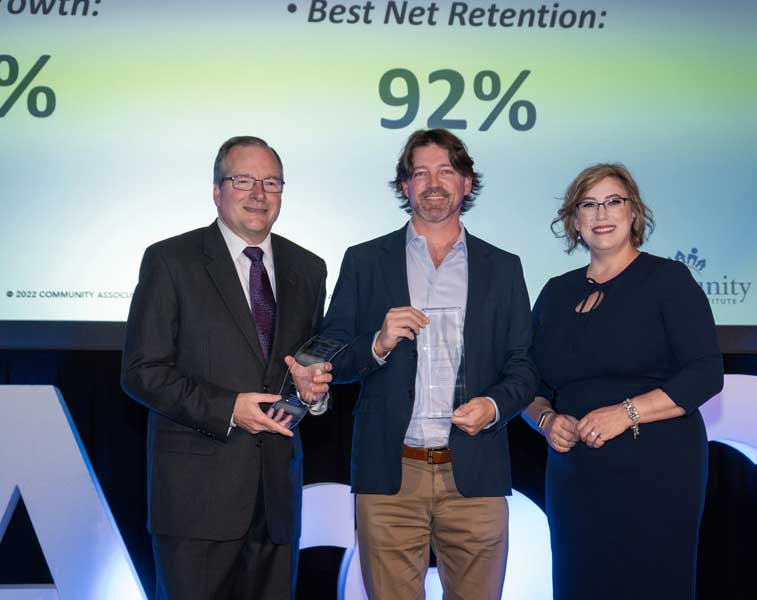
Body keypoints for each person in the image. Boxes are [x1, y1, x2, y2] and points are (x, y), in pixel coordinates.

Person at [318, 128, 537, 599]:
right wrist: (376, 343)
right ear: (405, 187)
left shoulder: (504, 267)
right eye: (420, 173)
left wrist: (494, 408)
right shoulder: (364, 261)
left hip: (475, 475)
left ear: (467, 184)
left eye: (446, 171)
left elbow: (524, 367)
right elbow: (333, 351)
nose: (433, 183)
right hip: (391, 474)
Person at [121, 136, 331, 600]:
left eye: (271, 182)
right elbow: (141, 370)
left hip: (276, 501)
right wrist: (230, 409)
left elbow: (307, 365)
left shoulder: (308, 269)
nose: (259, 193)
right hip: (196, 502)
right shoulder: (171, 261)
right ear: (217, 191)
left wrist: (313, 392)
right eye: (243, 180)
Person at [522, 163, 724, 599]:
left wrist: (625, 412)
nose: (601, 213)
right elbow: (527, 382)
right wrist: (545, 420)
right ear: (573, 221)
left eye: (614, 201)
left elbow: (706, 373)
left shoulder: (667, 280)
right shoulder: (556, 292)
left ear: (634, 213)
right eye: (588, 205)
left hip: (658, 467)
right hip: (576, 474)